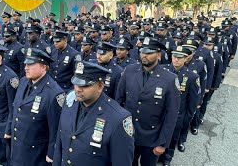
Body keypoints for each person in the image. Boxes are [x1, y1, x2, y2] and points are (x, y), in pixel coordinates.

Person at [53, 61, 135, 166]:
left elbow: (121, 161)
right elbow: (60, 144)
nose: (78, 89)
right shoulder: (69, 103)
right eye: (76, 84)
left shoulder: (118, 118)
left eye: (85, 85)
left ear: (100, 86)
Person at [115, 37, 181, 166]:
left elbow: (171, 115)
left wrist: (162, 143)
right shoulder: (129, 71)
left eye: (149, 53)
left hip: (152, 137)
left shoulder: (169, 79)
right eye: (142, 51)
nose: (144, 55)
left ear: (158, 54)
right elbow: (119, 101)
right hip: (129, 133)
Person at [10, 48, 65, 166]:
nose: (25, 67)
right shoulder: (24, 81)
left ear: (43, 67)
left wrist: (52, 153)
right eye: (25, 64)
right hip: (18, 143)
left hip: (36, 152)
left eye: (30, 64)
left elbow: (56, 128)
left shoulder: (54, 93)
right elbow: (16, 107)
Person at [160, 46, 201, 166]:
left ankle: (167, 157)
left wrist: (186, 119)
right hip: (160, 112)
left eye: (180, 57)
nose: (176, 60)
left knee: (172, 137)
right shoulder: (162, 70)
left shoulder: (192, 77)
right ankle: (157, 156)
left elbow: (193, 101)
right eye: (174, 57)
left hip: (178, 114)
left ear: (186, 58)